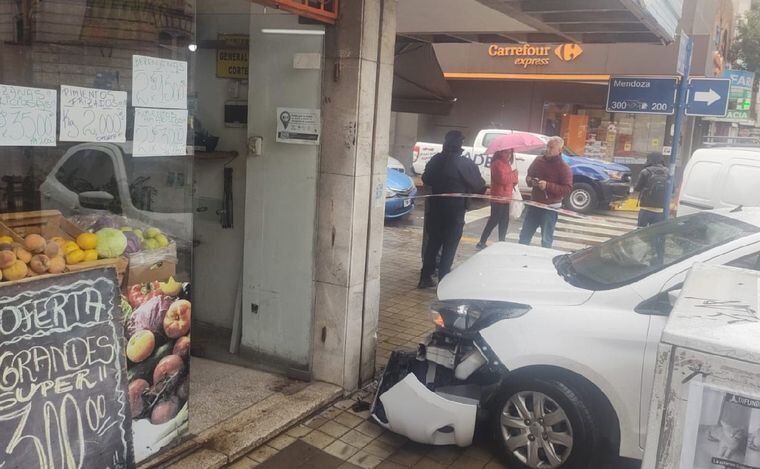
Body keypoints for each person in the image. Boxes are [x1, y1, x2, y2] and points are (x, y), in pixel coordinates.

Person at [418, 130, 486, 288]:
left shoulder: (436, 159)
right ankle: (444, 279)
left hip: (435, 210)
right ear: (460, 144)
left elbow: (426, 178)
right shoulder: (465, 163)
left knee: (433, 243)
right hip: (455, 212)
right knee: (450, 245)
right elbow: (479, 186)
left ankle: (425, 277)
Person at [518, 136, 572, 248]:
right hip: (535, 204)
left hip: (550, 208)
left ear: (560, 150)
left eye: (551, 147)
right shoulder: (538, 160)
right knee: (524, 236)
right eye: (547, 146)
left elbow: (567, 189)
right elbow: (529, 176)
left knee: (546, 240)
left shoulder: (563, 167)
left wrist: (548, 185)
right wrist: (531, 181)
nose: (548, 149)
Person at [476, 149, 518, 249]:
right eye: (506, 152)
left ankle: (501, 242)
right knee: (494, 220)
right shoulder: (497, 164)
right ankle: (482, 241)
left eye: (510, 153)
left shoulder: (507, 163)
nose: (508, 155)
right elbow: (502, 179)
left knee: (504, 221)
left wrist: (514, 177)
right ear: (500, 152)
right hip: (498, 197)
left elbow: (510, 181)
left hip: (506, 196)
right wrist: (514, 174)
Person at [634, 152, 669, 227]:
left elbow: (637, 188)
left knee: (641, 231)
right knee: (655, 233)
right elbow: (672, 190)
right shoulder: (668, 172)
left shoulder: (645, 171)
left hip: (646, 208)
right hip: (661, 209)